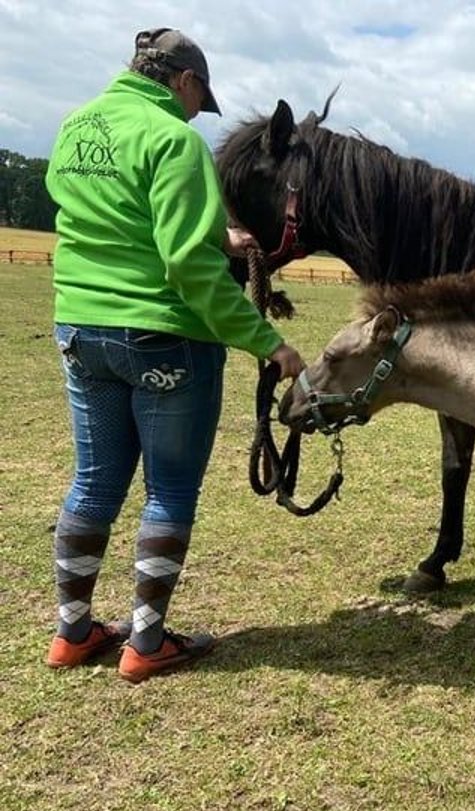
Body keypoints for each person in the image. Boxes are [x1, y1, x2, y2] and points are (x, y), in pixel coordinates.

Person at [43, 28, 304, 682]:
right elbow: (188, 267)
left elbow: (115, 213)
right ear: (185, 81)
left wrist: (222, 230)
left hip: (80, 329)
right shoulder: (175, 141)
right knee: (169, 488)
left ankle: (74, 632)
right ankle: (147, 641)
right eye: (199, 99)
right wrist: (269, 343)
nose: (197, 112)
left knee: (95, 480)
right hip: (165, 338)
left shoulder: (75, 128)